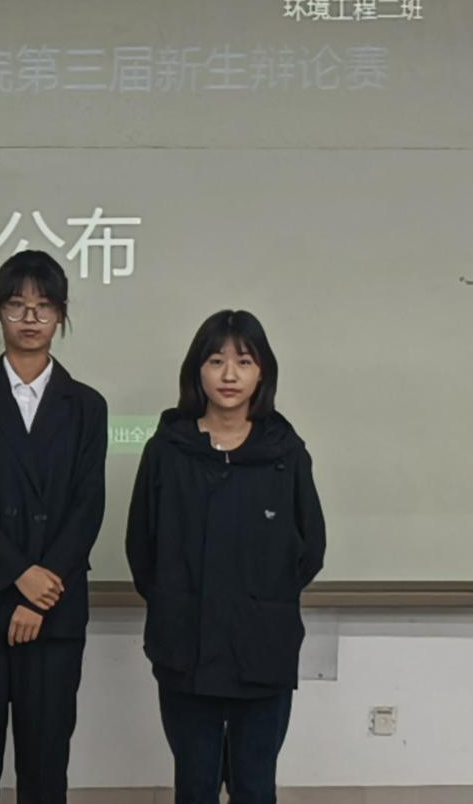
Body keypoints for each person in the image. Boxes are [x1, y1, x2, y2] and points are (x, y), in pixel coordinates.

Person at [126, 308, 326, 804]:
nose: (230, 375)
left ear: (263, 373)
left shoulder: (286, 454)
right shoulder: (168, 450)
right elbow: (142, 548)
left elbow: (309, 549)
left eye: (244, 361)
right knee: (194, 785)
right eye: (216, 361)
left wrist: (259, 602)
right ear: (197, 371)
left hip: (263, 649)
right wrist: (178, 600)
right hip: (184, 647)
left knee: (255, 785)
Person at [0, 250, 108, 804]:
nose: (30, 318)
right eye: (16, 305)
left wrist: (40, 591)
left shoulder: (87, 405)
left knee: (45, 766)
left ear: (61, 315)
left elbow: (88, 506)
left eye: (43, 306)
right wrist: (18, 577)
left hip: (55, 612)